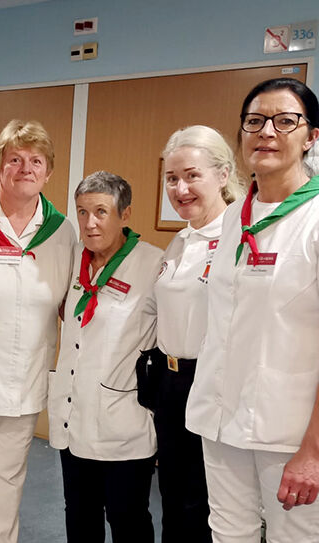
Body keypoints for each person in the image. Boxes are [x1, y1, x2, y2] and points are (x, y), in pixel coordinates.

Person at [186, 78, 319, 541]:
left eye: (286, 121)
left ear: (312, 137)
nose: (267, 132)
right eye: (254, 121)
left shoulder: (315, 219)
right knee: (228, 532)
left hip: (289, 431)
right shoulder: (232, 219)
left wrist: (314, 451)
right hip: (220, 418)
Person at [0, 119, 76, 543]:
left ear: (49, 171)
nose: (25, 168)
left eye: (36, 161)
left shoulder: (62, 234)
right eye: (15, 159)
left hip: (27, 379)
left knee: (9, 477)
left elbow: (68, 307)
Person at [48, 171, 162, 543]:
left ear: (124, 214)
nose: (90, 223)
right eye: (82, 212)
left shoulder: (153, 266)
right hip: (73, 416)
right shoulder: (74, 260)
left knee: (127, 519)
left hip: (123, 425)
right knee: (79, 517)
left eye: (101, 211)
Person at [144, 125, 244, 543]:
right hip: (171, 383)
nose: (180, 187)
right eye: (172, 178)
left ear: (223, 175)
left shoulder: (239, 238)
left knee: (208, 502)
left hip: (214, 383)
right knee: (173, 495)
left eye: (192, 175)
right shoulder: (181, 241)